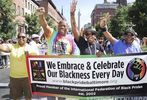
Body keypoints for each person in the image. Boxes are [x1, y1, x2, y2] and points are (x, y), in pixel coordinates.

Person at [0, 32, 37, 100]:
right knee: (15, 98)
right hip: (14, 78)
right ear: (17, 38)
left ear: (26, 38)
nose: (21, 38)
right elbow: (3, 48)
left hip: (27, 78)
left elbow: (35, 62)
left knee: (28, 98)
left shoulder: (30, 48)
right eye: (19, 37)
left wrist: (29, 56)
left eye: (23, 37)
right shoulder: (13, 46)